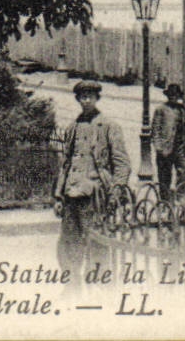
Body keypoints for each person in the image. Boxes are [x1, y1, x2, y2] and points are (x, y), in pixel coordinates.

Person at [53, 80, 129, 276]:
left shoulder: (109, 127)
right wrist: (58, 196)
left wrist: (117, 188)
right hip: (72, 193)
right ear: (78, 99)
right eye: (82, 97)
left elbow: (122, 162)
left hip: (94, 193)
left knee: (97, 241)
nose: (86, 100)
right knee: (69, 242)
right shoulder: (72, 128)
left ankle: (100, 281)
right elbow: (66, 164)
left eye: (90, 97)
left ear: (97, 99)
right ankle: (72, 283)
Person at [149, 82, 185, 202]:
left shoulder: (182, 110)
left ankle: (180, 197)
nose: (173, 97)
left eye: (175, 95)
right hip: (165, 149)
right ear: (167, 96)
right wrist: (159, 147)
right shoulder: (161, 110)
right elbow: (155, 130)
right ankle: (165, 202)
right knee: (165, 177)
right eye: (171, 95)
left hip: (179, 148)